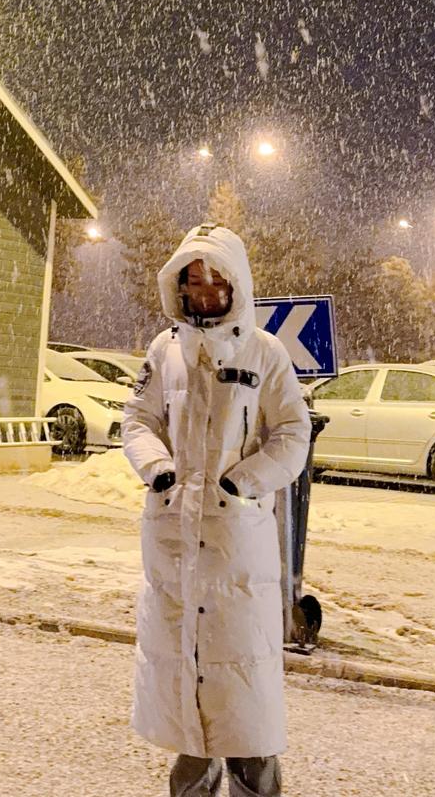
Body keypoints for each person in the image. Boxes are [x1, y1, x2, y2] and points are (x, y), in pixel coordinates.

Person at [122, 224, 311, 797]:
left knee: (245, 705)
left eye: (214, 277)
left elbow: (293, 435)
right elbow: (138, 420)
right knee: (187, 699)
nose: (204, 289)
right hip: (176, 540)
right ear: (177, 285)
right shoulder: (164, 350)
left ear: (236, 282)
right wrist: (157, 468)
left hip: (238, 552)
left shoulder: (266, 351)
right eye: (192, 278)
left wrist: (241, 483)